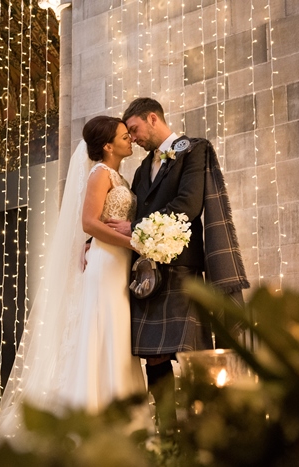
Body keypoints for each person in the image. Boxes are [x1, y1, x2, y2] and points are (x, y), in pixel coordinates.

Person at [0, 116, 146, 439]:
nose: (129, 139)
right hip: (106, 263)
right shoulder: (99, 174)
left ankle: (120, 413)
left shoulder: (119, 176)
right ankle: (94, 414)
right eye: (123, 136)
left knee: (116, 332)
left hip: (117, 262)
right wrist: (134, 242)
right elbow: (89, 223)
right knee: (104, 329)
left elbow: (103, 222)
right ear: (107, 145)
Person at [107, 98, 249, 433]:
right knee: (153, 356)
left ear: (152, 118)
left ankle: (211, 430)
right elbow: (128, 213)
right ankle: (167, 433)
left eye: (135, 130)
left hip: (182, 269)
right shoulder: (143, 169)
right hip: (148, 273)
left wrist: (137, 227)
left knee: (195, 355)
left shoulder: (192, 149)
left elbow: (188, 205)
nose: (133, 138)